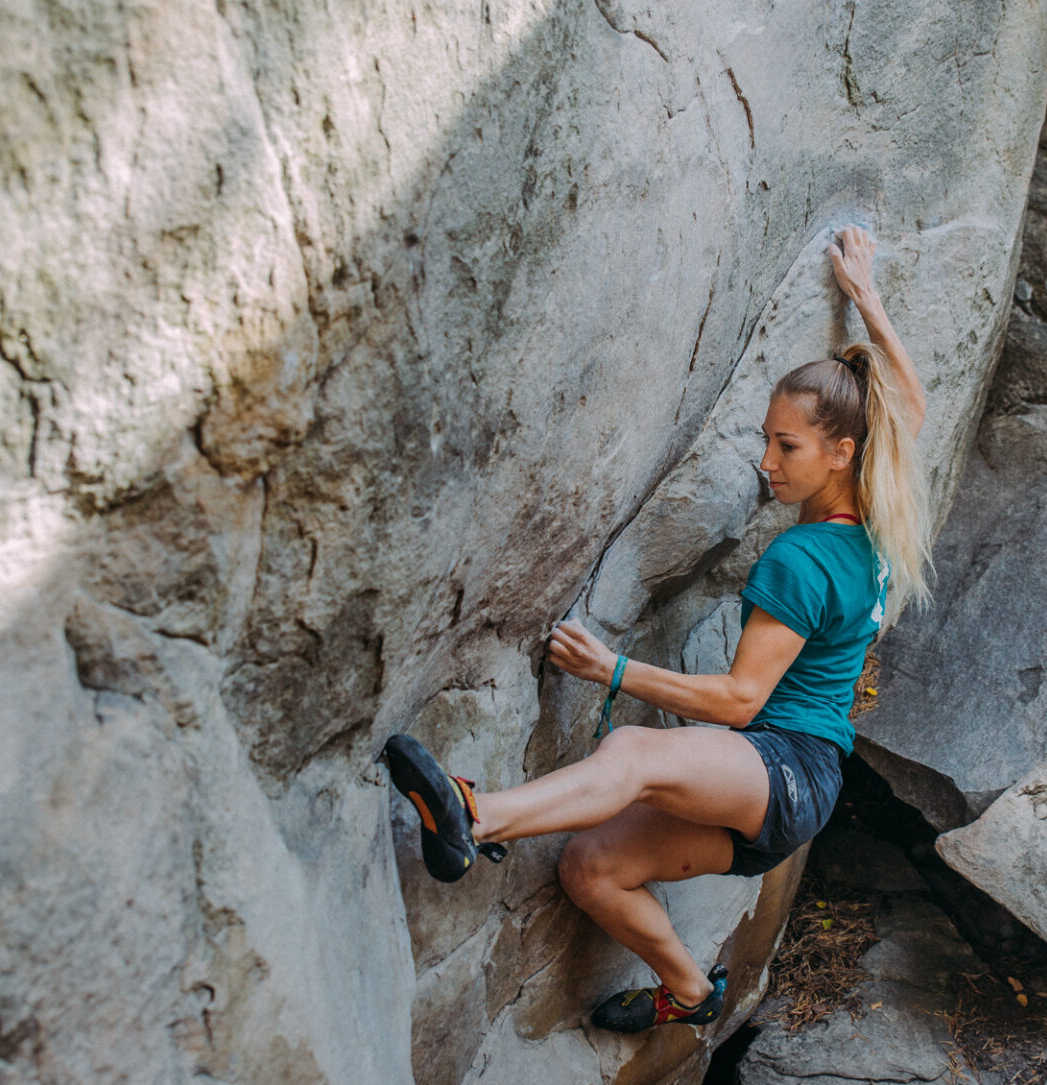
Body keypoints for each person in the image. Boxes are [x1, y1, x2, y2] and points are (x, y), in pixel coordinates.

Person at [384, 225, 935, 1032]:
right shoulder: (879, 517)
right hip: (786, 794)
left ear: (841, 453)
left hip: (785, 765)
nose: (769, 463)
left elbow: (744, 700)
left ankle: (475, 815)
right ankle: (689, 990)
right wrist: (866, 299)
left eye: (786, 447)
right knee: (591, 868)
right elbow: (909, 403)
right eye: (765, 441)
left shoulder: (804, 560)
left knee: (634, 751)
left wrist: (612, 670)